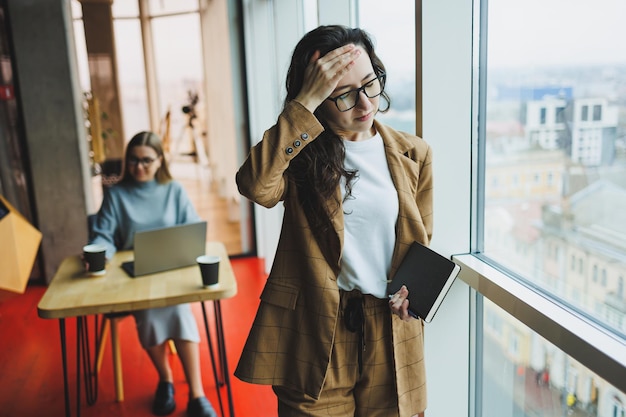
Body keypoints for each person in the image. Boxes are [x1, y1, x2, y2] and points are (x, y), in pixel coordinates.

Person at [234, 25, 432, 417]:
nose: (363, 103)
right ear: (319, 98)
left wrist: (416, 288)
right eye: (342, 94)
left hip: (390, 328)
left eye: (370, 83)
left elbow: (421, 240)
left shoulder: (414, 153)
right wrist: (302, 105)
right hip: (315, 327)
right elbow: (256, 186)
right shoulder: (298, 154)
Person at [88, 131, 217, 417]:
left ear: (160, 161)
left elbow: (192, 226)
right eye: (133, 160)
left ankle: (196, 395)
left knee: (180, 311)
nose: (139, 167)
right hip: (135, 276)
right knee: (149, 313)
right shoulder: (116, 195)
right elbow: (103, 236)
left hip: (171, 268)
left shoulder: (174, 190)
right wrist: (99, 253)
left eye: (146, 160)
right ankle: (166, 378)